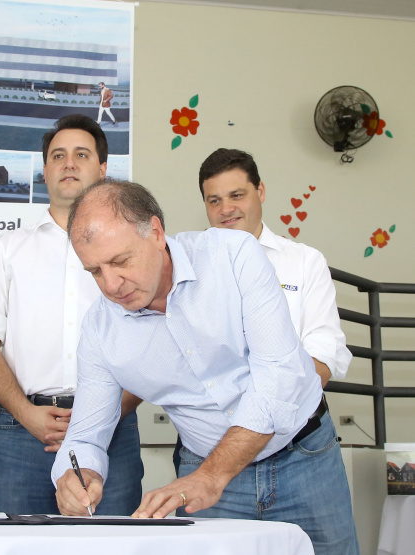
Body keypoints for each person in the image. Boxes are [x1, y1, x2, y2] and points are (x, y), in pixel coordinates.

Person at [52, 179, 359, 555]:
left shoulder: (234, 255)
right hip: (206, 477)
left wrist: (212, 476)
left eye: (120, 261)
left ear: (157, 233)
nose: (111, 285)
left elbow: (278, 381)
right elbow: (85, 435)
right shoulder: (100, 330)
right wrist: (77, 474)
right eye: (95, 271)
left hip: (304, 457)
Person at [0, 115, 142, 515]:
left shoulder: (132, 250)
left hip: (112, 428)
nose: (68, 163)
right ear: (44, 170)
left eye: (81, 155)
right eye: (58, 155)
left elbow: (150, 340)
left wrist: (103, 414)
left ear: (102, 170)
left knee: (110, 550)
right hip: (22, 432)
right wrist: (25, 413)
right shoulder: (6, 249)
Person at [199, 148, 350, 387]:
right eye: (214, 200)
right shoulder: (189, 268)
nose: (225, 209)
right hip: (217, 422)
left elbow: (323, 348)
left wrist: (270, 405)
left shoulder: (305, 261)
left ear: (260, 191)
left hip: (298, 417)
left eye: (236, 195)